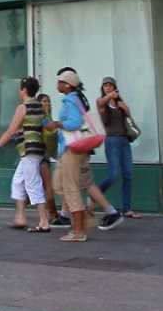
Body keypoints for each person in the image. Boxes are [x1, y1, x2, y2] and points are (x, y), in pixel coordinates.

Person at [52, 68, 123, 241]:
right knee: (61, 185)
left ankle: (79, 230)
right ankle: (85, 219)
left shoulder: (70, 100)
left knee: (70, 188)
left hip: (72, 149)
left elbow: (75, 123)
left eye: (60, 81)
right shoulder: (75, 99)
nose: (58, 84)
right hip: (74, 149)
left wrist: (57, 124)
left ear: (67, 85)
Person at [0, 76, 51, 232]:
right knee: (17, 181)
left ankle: (44, 221)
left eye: (20, 88)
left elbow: (11, 130)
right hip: (36, 149)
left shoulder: (23, 107)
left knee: (32, 184)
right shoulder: (39, 106)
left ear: (23, 90)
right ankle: (20, 218)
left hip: (29, 149)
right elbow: (40, 125)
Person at [97, 77, 140, 219]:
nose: (107, 88)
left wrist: (127, 110)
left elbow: (129, 121)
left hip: (124, 140)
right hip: (112, 140)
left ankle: (127, 208)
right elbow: (101, 102)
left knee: (128, 174)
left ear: (115, 87)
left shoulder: (120, 104)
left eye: (110, 85)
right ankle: (95, 194)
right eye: (105, 86)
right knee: (113, 175)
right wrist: (110, 96)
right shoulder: (102, 103)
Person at [37, 94, 60, 223]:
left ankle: (22, 204)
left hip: (46, 154)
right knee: (48, 184)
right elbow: (50, 129)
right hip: (41, 154)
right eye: (44, 101)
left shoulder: (47, 116)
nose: (47, 104)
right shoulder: (42, 118)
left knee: (41, 184)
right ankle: (53, 213)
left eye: (48, 101)